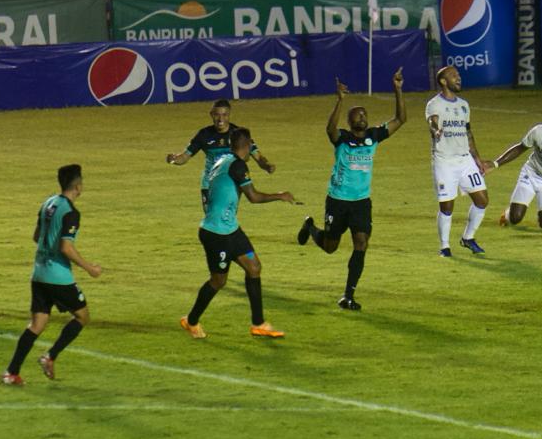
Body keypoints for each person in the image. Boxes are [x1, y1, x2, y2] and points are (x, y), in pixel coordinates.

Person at [297, 68, 406, 311]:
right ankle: (310, 226)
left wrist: (397, 90)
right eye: (357, 115)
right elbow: (330, 130)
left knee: (361, 243)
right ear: (349, 121)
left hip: (361, 202)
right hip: (337, 200)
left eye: (364, 114)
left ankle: (348, 295)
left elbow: (400, 120)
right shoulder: (342, 138)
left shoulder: (374, 136)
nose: (362, 117)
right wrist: (339, 101)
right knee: (330, 247)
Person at [180, 127, 295, 339]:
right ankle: (191, 320)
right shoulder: (237, 166)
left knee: (254, 266)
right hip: (216, 234)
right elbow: (253, 197)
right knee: (218, 281)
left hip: (230, 229)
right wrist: (280, 195)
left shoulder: (222, 159)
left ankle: (258, 323)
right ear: (248, 144)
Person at [2, 164, 102, 386]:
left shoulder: (47, 203)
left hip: (38, 273)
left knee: (37, 324)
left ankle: (11, 372)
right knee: (83, 316)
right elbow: (66, 247)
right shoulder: (71, 213)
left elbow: (37, 236)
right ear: (78, 186)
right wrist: (90, 268)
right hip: (58, 277)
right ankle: (50, 356)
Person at [166, 98, 275, 213]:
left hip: (231, 184)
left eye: (224, 115)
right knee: (213, 218)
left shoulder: (238, 135)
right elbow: (184, 157)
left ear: (229, 114)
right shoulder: (204, 135)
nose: (220, 119)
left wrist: (266, 165)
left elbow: (257, 156)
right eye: (217, 115)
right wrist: (173, 159)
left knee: (225, 219)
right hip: (210, 184)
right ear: (211, 115)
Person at [425, 66, 488, 256]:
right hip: (445, 161)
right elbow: (432, 121)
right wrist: (436, 130)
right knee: (447, 206)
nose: (458, 78)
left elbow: (468, 132)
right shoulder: (434, 104)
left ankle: (468, 238)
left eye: (458, 75)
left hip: (465, 160)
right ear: (443, 81)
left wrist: (477, 158)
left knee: (482, 200)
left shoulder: (464, 105)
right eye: (453, 76)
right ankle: (444, 246)